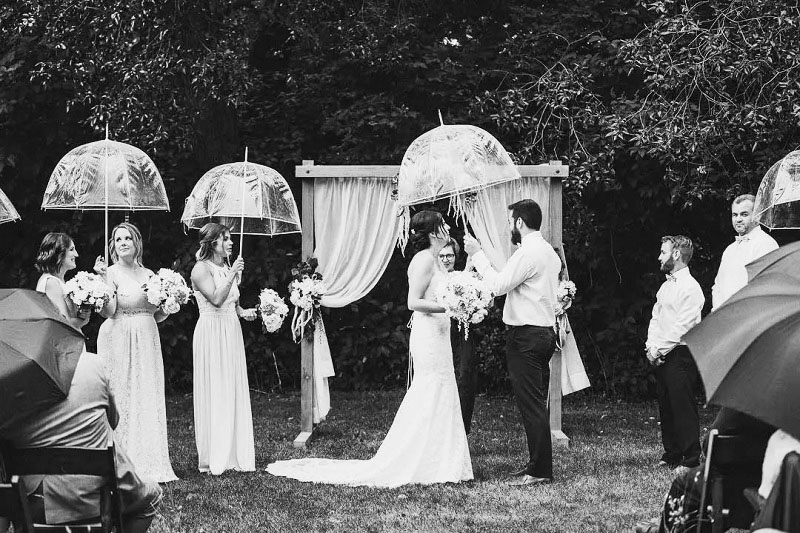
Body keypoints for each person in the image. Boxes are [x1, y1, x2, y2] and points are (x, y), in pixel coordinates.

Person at [266, 210, 473, 487]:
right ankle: (421, 459)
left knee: (443, 389)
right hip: (429, 337)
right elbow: (413, 302)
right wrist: (449, 306)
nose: (447, 227)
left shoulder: (436, 260)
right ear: (433, 231)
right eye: (443, 224)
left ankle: (443, 460)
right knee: (431, 389)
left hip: (439, 333)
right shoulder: (423, 260)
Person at [0, 237, 162, 532]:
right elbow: (112, 420)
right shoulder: (91, 366)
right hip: (89, 501)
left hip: (31, 502)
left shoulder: (9, 385)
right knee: (149, 497)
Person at [464, 199, 561, 486]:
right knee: (536, 402)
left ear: (519, 222)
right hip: (543, 334)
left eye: (509, 222)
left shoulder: (528, 253)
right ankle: (536, 463)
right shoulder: (548, 253)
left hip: (526, 337)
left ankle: (540, 470)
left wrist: (478, 254)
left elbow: (497, 285)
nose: (509, 227)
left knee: (531, 403)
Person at [95, 222, 177, 483]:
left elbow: (158, 314)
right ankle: (119, 459)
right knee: (122, 393)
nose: (123, 243)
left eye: (128, 238)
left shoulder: (150, 274)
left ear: (137, 242)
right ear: (113, 245)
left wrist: (170, 302)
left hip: (147, 337)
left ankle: (150, 460)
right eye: (118, 239)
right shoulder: (110, 273)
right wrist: (103, 282)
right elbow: (107, 312)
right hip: (119, 337)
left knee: (146, 392)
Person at [634, 408, 776, 533]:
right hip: (781, 494)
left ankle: (667, 529)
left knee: (686, 483)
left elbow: (711, 446)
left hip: (731, 494)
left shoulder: (746, 398)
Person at [190, 223, 258, 475]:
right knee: (215, 387)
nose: (230, 243)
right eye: (225, 239)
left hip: (230, 331)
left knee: (232, 386)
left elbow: (232, 305)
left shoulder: (227, 268)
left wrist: (245, 312)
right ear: (211, 243)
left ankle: (233, 452)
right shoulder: (200, 269)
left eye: (230, 239)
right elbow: (216, 300)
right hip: (211, 332)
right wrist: (232, 276)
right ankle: (214, 454)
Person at [645, 235, 705, 470]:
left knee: (683, 406)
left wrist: (659, 348)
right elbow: (655, 317)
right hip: (661, 353)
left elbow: (683, 327)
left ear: (676, 254)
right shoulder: (665, 285)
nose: (659, 256)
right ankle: (672, 453)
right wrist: (651, 347)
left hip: (681, 354)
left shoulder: (691, 288)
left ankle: (691, 458)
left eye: (663, 252)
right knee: (667, 405)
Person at [439, 238, 479, 435]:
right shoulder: (433, 278)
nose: (446, 259)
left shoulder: (461, 278)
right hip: (440, 332)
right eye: (442, 256)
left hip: (462, 331)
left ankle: (462, 429)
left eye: (450, 255)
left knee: (465, 375)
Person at [711, 194, 778, 310]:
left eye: (744, 214)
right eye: (734, 215)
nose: (738, 219)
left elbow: (764, 287)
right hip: (724, 318)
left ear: (758, 215)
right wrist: (717, 311)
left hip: (751, 316)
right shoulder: (729, 250)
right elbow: (718, 287)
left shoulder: (766, 244)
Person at [33, 232, 92, 331]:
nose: (76, 254)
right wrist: (84, 320)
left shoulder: (59, 281)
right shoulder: (51, 282)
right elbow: (64, 323)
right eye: (72, 249)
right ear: (59, 253)